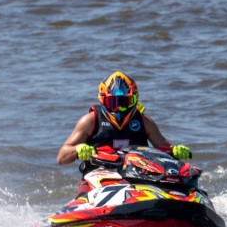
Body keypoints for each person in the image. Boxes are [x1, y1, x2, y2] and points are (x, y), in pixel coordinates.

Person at [56, 72, 191, 170]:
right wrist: (78, 149)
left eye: (125, 102)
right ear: (102, 100)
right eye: (112, 102)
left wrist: (176, 151)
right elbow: (61, 158)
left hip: (136, 178)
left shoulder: (145, 122)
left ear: (135, 100)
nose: (119, 108)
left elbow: (165, 148)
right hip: (97, 179)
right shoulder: (90, 120)